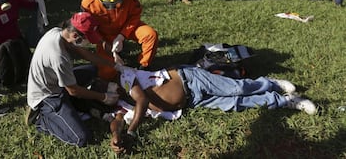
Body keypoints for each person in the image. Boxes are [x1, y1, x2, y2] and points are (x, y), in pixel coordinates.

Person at [100, 64, 317, 153]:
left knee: (236, 88)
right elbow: (117, 120)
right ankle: (285, 101)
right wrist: (116, 134)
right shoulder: (121, 104)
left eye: (105, 88)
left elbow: (143, 102)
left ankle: (271, 83)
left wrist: (131, 131)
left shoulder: (125, 77)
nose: (109, 94)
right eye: (103, 96)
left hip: (190, 79)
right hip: (191, 102)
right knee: (235, 104)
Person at [26, 12, 121, 147]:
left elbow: (84, 53)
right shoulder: (58, 57)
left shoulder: (58, 32)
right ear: (75, 36)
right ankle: (43, 120)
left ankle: (74, 105)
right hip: (48, 96)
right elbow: (73, 90)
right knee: (81, 138)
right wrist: (103, 97)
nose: (88, 43)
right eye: (87, 39)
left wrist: (114, 65)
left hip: (56, 81)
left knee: (92, 70)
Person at [81, 0, 158, 80]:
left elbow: (135, 15)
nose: (113, 7)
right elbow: (90, 31)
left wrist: (121, 36)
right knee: (106, 73)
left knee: (150, 35)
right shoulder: (88, 4)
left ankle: (143, 66)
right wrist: (107, 47)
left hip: (127, 27)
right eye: (108, 5)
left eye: (118, 2)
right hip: (104, 36)